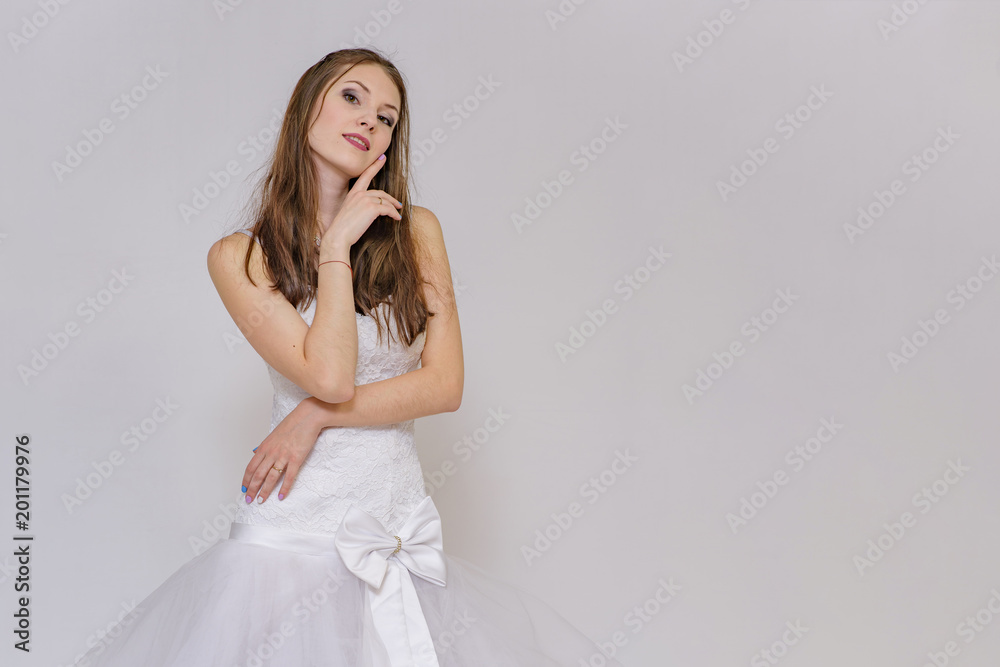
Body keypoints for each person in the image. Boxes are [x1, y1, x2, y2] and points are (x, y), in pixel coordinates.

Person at [76, 47, 625, 667]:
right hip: (291, 539)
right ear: (305, 106)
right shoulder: (240, 257)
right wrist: (336, 245)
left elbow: (444, 386)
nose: (369, 120)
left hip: (397, 525)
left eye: (388, 117)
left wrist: (313, 416)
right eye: (352, 97)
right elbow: (329, 374)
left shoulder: (417, 232)